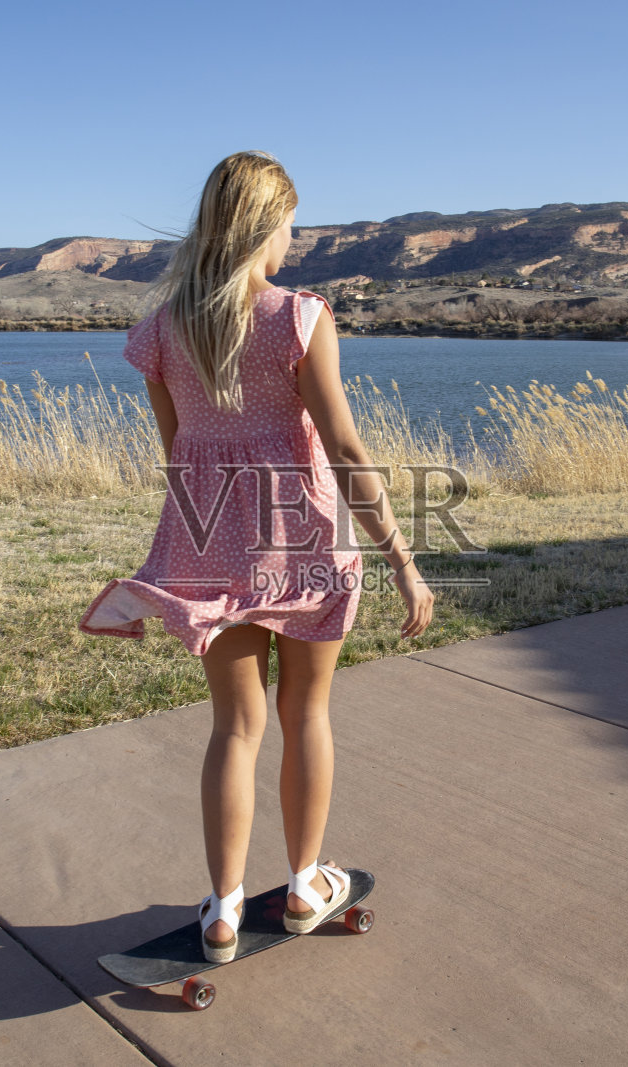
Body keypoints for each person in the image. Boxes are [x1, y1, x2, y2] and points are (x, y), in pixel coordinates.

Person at [79, 150, 434, 962]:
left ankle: (224, 909)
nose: (292, 243)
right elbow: (343, 446)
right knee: (306, 714)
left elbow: (180, 456)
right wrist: (403, 559)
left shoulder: (162, 331)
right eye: (289, 226)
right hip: (304, 537)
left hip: (212, 546)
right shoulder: (299, 316)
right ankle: (306, 884)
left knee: (235, 728)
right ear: (264, 227)